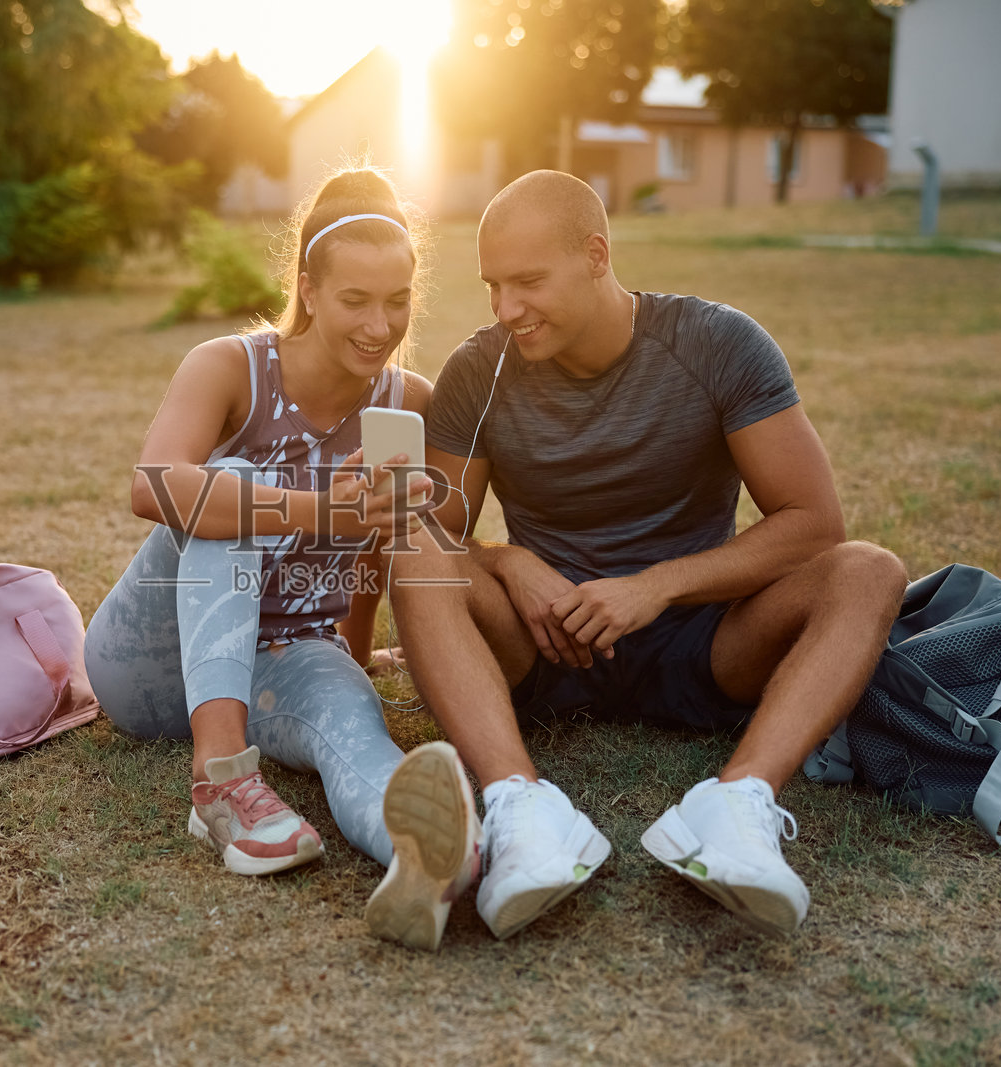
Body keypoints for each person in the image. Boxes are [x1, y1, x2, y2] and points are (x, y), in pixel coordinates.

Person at [380, 170, 907, 940]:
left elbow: (812, 521)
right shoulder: (479, 369)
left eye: (528, 281)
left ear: (596, 255)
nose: (506, 308)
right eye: (493, 285)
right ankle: (521, 808)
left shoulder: (718, 344)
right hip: (545, 643)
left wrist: (656, 586)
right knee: (409, 538)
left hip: (698, 638)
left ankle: (737, 805)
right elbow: (442, 531)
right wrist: (509, 562)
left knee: (870, 568)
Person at [83, 166, 482, 951]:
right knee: (226, 484)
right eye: (355, 300)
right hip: (153, 663)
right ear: (307, 285)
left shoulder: (407, 401)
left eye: (398, 300)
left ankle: (429, 857)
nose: (381, 324)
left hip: (289, 654)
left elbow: (379, 546)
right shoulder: (230, 365)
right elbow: (152, 485)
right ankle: (222, 784)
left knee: (356, 731)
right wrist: (318, 509)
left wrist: (358, 654)